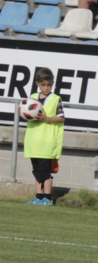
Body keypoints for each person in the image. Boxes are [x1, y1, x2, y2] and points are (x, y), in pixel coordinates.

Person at [23, 68, 65, 206]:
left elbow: (61, 119)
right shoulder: (32, 98)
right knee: (36, 170)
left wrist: (46, 118)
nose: (46, 88)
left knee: (45, 171)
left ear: (52, 84)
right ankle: (38, 196)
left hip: (47, 141)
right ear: (37, 84)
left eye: (49, 85)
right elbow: (26, 113)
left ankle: (47, 198)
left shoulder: (55, 99)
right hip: (33, 141)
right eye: (43, 85)